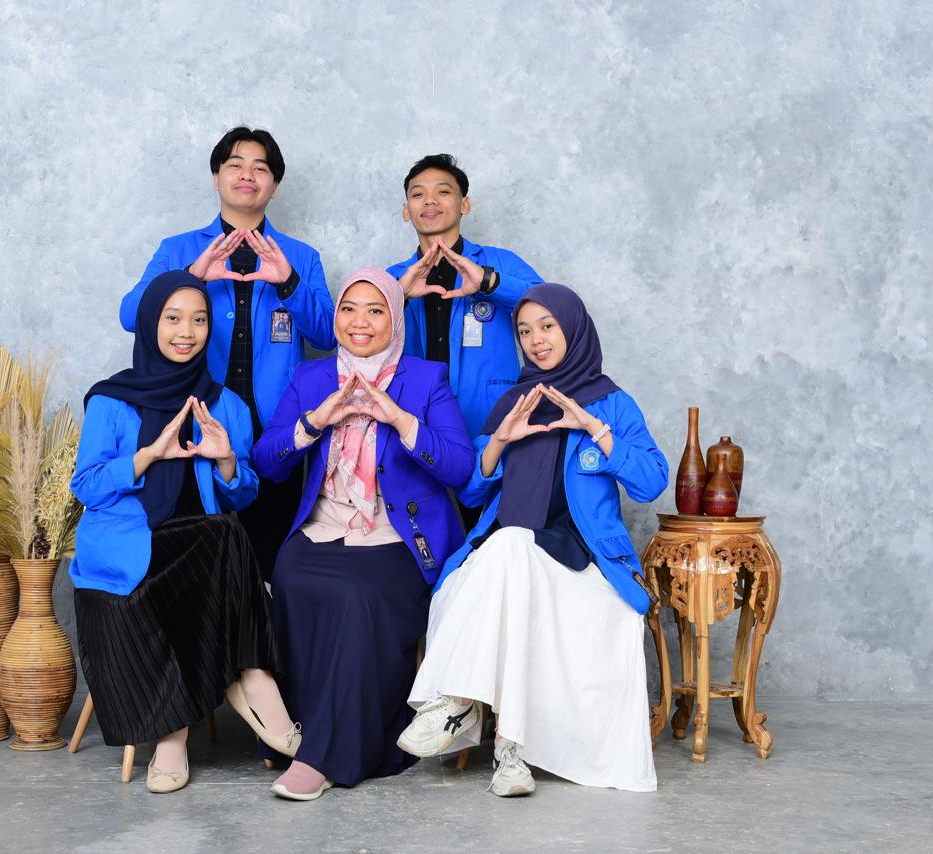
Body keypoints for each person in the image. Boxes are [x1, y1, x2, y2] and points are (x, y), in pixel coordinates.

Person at [397, 283, 669, 796]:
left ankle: (457, 705)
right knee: (510, 549)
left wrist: (594, 428)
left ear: (574, 329)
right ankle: (509, 755)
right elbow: (472, 489)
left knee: (511, 549)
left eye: (547, 326)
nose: (536, 340)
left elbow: (652, 481)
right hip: (509, 556)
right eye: (524, 331)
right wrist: (501, 439)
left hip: (583, 560)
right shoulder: (514, 402)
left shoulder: (612, 403)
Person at [71, 271, 302, 794]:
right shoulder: (111, 400)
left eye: (199, 320)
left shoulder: (225, 405)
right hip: (132, 549)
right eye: (173, 318)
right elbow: (86, 486)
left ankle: (188, 727)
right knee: (224, 538)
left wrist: (226, 462)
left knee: (223, 531)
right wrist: (147, 457)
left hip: (203, 552)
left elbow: (243, 495)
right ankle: (245, 685)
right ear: (151, 322)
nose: (187, 332)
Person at [251, 268, 474, 800]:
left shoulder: (426, 379)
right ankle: (301, 731)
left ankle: (327, 754)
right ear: (335, 319)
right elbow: (266, 461)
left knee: (357, 595)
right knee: (292, 575)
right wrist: (314, 422)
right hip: (323, 527)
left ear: (395, 319)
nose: (360, 322)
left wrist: (399, 419)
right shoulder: (311, 377)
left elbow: (461, 467)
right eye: (349, 309)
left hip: (397, 535)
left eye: (376, 310)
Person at [120, 126, 337, 581]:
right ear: (216, 177)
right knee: (199, 559)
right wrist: (191, 277)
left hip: (278, 428)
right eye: (235, 165)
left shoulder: (301, 256)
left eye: (260, 168)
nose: (247, 175)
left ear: (274, 185)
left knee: (269, 561)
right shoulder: (178, 249)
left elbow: (326, 336)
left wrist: (288, 282)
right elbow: (130, 315)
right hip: (197, 422)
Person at [386, 153, 542, 531]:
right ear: (406, 210)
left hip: (490, 422)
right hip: (417, 424)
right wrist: (398, 296)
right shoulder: (392, 278)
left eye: (443, 191)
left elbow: (551, 309)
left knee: (495, 538)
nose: (430, 201)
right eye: (418, 194)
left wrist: (489, 282)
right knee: (427, 537)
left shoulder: (500, 263)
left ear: (464, 204)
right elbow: (357, 341)